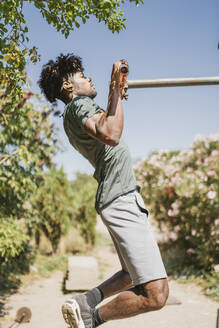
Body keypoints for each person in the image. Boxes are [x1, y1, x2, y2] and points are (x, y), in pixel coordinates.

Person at [38, 53, 169, 328]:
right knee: (156, 294)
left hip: (117, 197)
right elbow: (111, 133)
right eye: (81, 75)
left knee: (131, 276)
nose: (88, 77)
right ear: (68, 87)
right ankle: (90, 318)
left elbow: (107, 125)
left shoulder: (76, 112)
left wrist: (115, 92)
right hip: (120, 198)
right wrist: (114, 90)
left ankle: (84, 303)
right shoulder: (79, 106)